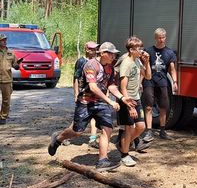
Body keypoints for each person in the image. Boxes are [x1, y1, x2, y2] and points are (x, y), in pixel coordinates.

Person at [47, 42, 133, 172]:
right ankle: (58, 139)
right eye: (111, 54)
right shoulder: (91, 65)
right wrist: (110, 101)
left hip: (101, 103)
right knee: (77, 131)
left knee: (107, 128)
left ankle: (102, 161)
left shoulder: (109, 67)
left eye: (114, 54)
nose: (113, 56)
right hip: (86, 102)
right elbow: (93, 87)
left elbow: (111, 85)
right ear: (103, 53)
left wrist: (122, 97)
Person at [115, 36, 151, 167]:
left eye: (141, 47)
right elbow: (122, 87)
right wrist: (129, 106)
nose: (141, 50)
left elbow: (148, 76)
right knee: (129, 128)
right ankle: (125, 155)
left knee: (141, 126)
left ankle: (123, 143)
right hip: (127, 100)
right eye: (138, 48)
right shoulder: (126, 63)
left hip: (136, 98)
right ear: (131, 50)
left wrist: (146, 62)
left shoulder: (137, 61)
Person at [141, 28, 177, 141]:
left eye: (163, 37)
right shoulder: (149, 51)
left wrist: (175, 82)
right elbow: (143, 67)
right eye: (159, 38)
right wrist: (140, 82)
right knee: (148, 106)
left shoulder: (169, 52)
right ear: (155, 38)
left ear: (165, 37)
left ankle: (162, 131)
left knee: (163, 107)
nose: (161, 40)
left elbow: (172, 69)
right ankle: (149, 131)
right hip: (149, 81)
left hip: (162, 82)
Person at [73, 41, 99, 148]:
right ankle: (66, 135)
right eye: (92, 49)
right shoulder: (81, 61)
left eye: (95, 49)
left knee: (94, 116)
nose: (94, 51)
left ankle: (93, 139)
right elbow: (76, 78)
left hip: (94, 93)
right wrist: (76, 93)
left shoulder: (97, 61)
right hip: (83, 93)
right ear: (87, 49)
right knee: (79, 117)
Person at [0, 34, 21, 125]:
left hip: (6, 79)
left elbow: (15, 66)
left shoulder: (11, 53)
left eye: (5, 40)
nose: (5, 41)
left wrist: (17, 65)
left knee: (6, 100)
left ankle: (3, 117)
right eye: (2, 40)